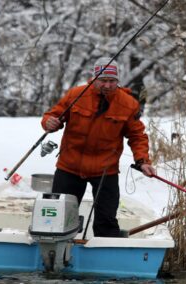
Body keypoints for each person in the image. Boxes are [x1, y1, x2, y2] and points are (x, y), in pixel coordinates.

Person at [41, 57, 156, 237]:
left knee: (107, 220)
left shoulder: (129, 104)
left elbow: (137, 136)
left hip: (105, 170)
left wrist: (142, 161)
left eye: (112, 81)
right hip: (69, 167)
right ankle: (56, 250)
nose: (108, 85)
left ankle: (107, 251)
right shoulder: (76, 95)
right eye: (103, 80)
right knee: (59, 217)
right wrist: (50, 123)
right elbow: (53, 116)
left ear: (118, 81)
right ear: (94, 78)